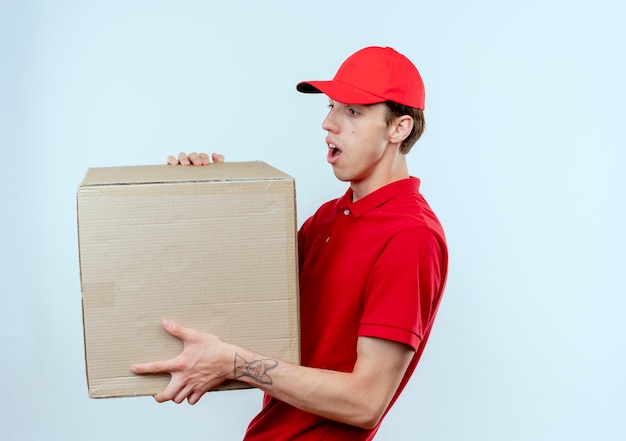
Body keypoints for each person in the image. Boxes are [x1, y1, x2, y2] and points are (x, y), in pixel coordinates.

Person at [132, 46, 448, 440]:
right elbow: (241, 303)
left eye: (353, 111)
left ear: (397, 129)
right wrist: (203, 197)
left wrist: (234, 364)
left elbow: (365, 402)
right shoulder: (329, 218)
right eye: (331, 106)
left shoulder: (410, 236)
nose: (328, 123)